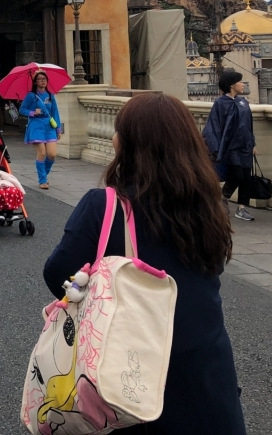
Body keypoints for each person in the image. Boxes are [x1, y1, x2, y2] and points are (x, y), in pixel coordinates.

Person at [44, 92, 244, 434]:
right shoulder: (209, 202)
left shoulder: (104, 206)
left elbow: (57, 273)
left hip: (129, 372)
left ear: (130, 143)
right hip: (207, 371)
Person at [203, 70, 257, 221]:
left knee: (246, 177)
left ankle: (242, 208)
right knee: (237, 175)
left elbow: (249, 125)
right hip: (230, 147)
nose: (242, 84)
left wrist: (252, 143)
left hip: (245, 146)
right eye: (240, 82)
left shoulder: (243, 102)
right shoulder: (220, 103)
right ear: (232, 85)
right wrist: (215, 147)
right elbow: (213, 126)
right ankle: (223, 197)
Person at [19, 70, 63, 189]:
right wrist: (33, 112)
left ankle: (44, 175)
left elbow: (55, 113)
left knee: (52, 155)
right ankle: (42, 180)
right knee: (42, 153)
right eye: (39, 79)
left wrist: (59, 129)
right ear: (35, 82)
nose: (42, 81)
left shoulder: (50, 96)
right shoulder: (30, 96)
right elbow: (22, 110)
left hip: (49, 126)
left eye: (44, 79)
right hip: (36, 125)